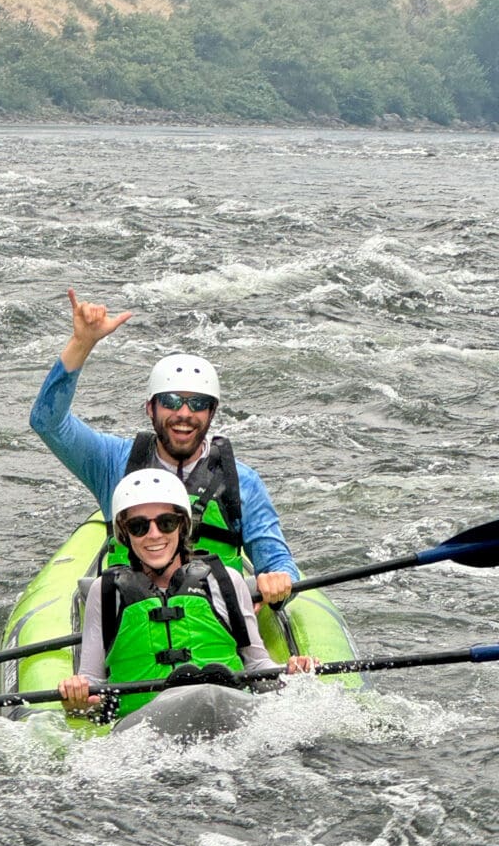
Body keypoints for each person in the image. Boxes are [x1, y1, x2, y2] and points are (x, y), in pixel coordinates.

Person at [30, 287, 297, 607]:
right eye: (171, 401)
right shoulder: (113, 463)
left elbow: (279, 563)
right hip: (132, 628)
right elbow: (47, 422)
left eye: (197, 403)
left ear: (211, 413)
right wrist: (82, 343)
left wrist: (277, 579)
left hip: (216, 627)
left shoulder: (242, 481)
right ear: (150, 408)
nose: (184, 414)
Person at [58, 470, 314, 722]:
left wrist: (290, 675)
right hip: (145, 728)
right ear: (124, 534)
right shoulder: (105, 592)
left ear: (183, 525)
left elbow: (257, 666)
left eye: (166, 522)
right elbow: (93, 683)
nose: (154, 534)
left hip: (228, 716)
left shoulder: (225, 581)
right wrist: (78, 700)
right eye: (139, 526)